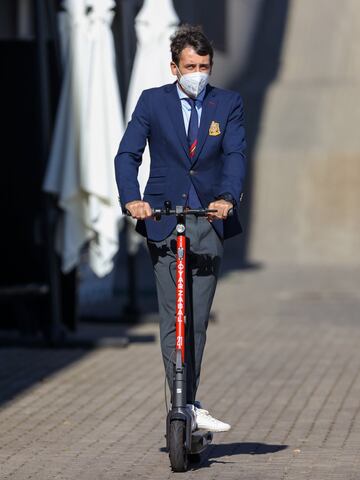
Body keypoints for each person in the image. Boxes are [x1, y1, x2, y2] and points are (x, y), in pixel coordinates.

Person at [115, 24, 246, 432]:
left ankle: (189, 401)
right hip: (163, 218)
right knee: (174, 318)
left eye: (204, 66)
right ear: (175, 67)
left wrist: (227, 198)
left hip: (208, 220)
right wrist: (131, 199)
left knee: (197, 320)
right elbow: (127, 154)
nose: (199, 73)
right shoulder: (152, 103)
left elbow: (235, 154)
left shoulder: (227, 104)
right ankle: (182, 402)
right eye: (191, 65)